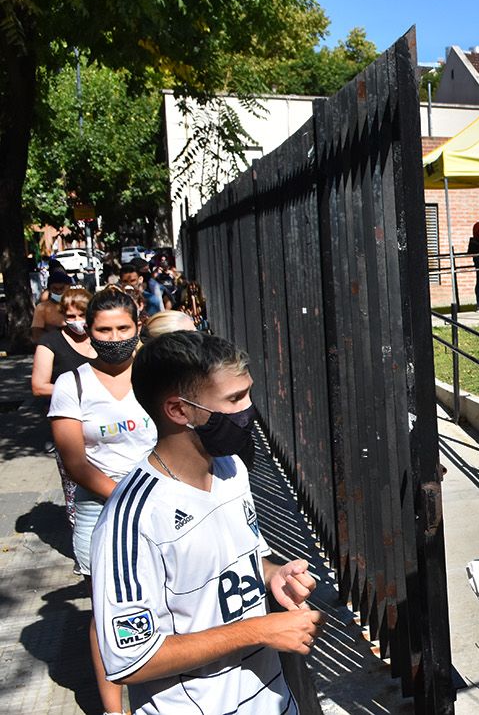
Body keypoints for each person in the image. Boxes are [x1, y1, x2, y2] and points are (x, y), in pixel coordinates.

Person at [91, 331, 322, 714]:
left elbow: (242, 557)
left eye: (247, 393)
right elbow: (131, 660)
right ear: (179, 411)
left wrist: (272, 575)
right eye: (234, 399)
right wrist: (259, 630)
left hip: (273, 701)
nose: (249, 410)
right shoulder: (130, 520)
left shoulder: (232, 468)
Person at [48, 286, 158, 715]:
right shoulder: (71, 383)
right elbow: (75, 462)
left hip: (164, 503)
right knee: (110, 610)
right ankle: (115, 709)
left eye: (123, 328)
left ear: (138, 327)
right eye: (104, 329)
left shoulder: (158, 373)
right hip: (102, 510)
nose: (114, 337)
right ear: (88, 333)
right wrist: (128, 498)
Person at [32, 286, 97, 528]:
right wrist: (79, 390)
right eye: (70, 317)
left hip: (105, 422)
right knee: (75, 486)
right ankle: (81, 543)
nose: (77, 322)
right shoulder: (51, 342)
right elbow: (39, 386)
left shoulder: (101, 337)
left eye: (82, 316)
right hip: (70, 426)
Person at [31, 270, 72, 342]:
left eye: (61, 288)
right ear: (49, 290)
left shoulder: (78, 305)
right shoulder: (42, 308)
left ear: (69, 287)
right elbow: (36, 334)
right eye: (55, 289)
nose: (59, 292)